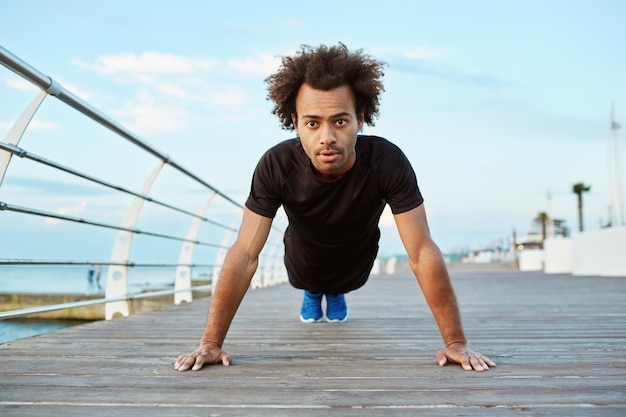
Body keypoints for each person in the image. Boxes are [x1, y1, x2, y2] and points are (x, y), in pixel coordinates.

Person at [175, 43, 495, 372]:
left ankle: (335, 290)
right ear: (294, 121)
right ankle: (314, 290)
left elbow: (422, 250)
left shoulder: (387, 162)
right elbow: (244, 254)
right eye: (312, 123)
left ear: (361, 118)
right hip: (303, 252)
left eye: (340, 122)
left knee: (343, 280)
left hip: (356, 255)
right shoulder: (277, 164)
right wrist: (211, 343)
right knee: (309, 277)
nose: (327, 136)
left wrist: (455, 341)